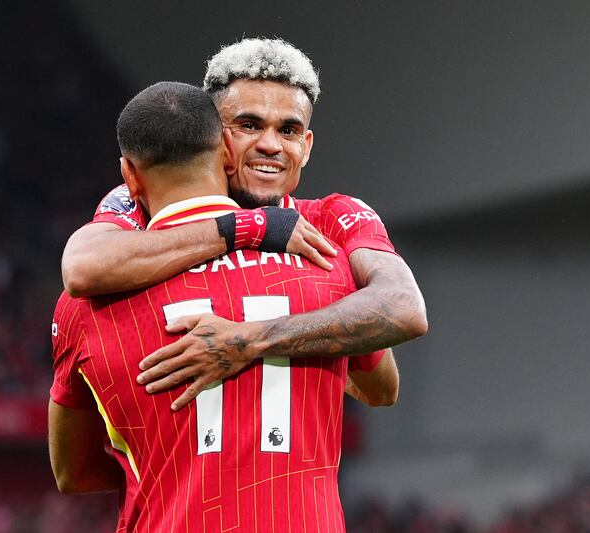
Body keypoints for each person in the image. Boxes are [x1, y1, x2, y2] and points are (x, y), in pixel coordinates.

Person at [49, 81, 394, 531]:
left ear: (129, 176)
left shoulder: (84, 309)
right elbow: (381, 388)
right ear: (227, 151)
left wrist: (174, 470)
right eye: (251, 125)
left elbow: (72, 473)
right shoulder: (324, 261)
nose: (269, 144)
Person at [61, 38, 427, 411]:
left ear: (307, 146)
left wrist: (253, 340)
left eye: (289, 130)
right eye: (249, 125)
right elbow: (82, 267)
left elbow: (400, 324)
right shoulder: (143, 203)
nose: (271, 145)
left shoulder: (332, 220)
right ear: (215, 137)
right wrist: (254, 227)